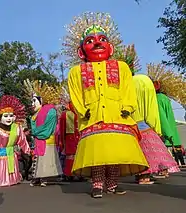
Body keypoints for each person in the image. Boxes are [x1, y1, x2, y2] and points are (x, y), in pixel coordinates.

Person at [62, 12, 148, 198]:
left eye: (102, 39)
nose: (97, 43)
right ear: (81, 51)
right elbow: (76, 94)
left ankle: (112, 185)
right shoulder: (76, 72)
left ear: (110, 47)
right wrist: (82, 110)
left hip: (118, 116)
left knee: (114, 156)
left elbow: (128, 90)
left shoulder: (121, 67)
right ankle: (97, 185)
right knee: (97, 156)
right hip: (92, 118)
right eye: (90, 41)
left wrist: (128, 107)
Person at [132, 74, 180, 184]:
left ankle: (139, 175)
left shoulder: (130, 86)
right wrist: (157, 129)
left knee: (138, 152)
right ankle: (144, 177)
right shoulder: (152, 92)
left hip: (131, 125)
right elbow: (151, 113)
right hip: (145, 125)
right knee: (149, 152)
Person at [0, 95, 30, 187]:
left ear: (14, 117)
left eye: (11, 116)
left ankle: (12, 178)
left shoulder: (17, 128)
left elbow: (23, 142)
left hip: (11, 156)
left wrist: (27, 152)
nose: (9, 118)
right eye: (6, 116)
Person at [23, 79, 63, 187]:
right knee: (38, 159)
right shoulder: (34, 115)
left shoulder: (50, 111)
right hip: (38, 141)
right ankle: (37, 177)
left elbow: (47, 128)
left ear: (42, 101)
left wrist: (35, 132)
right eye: (31, 101)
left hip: (47, 139)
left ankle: (44, 177)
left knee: (45, 159)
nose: (32, 104)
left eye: (34, 101)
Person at [148, 64, 186, 169]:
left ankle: (163, 170)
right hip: (170, 132)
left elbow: (162, 118)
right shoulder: (165, 98)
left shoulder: (158, 99)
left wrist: (167, 133)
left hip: (163, 133)